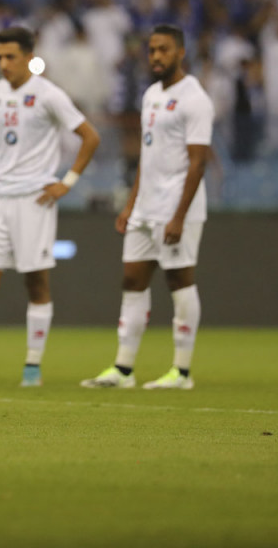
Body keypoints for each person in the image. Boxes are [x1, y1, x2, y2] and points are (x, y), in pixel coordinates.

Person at [0, 26, 100, 388]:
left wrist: (68, 182)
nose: (3, 64)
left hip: (35, 199)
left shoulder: (49, 95)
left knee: (36, 283)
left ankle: (32, 366)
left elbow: (89, 137)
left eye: (10, 57)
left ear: (30, 58)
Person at [82, 24, 213, 391]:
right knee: (132, 280)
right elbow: (148, 154)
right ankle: (123, 369)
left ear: (180, 52)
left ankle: (181, 372)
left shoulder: (195, 98)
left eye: (164, 50)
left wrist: (179, 216)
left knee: (179, 281)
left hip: (176, 208)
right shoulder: (152, 94)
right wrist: (131, 203)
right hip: (145, 206)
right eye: (152, 50)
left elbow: (198, 162)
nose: (156, 56)